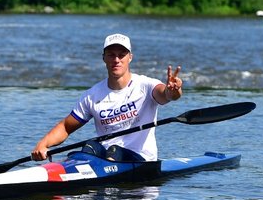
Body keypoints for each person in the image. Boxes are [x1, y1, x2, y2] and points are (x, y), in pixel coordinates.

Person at [31, 33, 182, 163]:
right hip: (107, 158)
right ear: (104, 58)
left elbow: (165, 95)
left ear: (130, 57)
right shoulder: (92, 96)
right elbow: (65, 127)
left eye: (121, 54)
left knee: (115, 150)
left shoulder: (146, 85)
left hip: (141, 160)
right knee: (90, 146)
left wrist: (173, 91)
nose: (116, 59)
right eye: (111, 54)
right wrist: (43, 144)